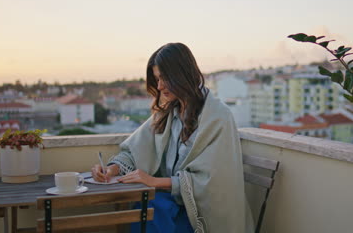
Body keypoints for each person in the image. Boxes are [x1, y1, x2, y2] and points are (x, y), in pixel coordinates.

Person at [91, 42, 254, 233]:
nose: (159, 86)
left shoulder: (218, 117)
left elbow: (213, 183)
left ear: (181, 74)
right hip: (171, 205)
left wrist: (154, 181)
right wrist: (112, 169)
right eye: (156, 79)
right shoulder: (168, 114)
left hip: (201, 215)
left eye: (164, 78)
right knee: (147, 207)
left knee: (151, 209)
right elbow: (135, 151)